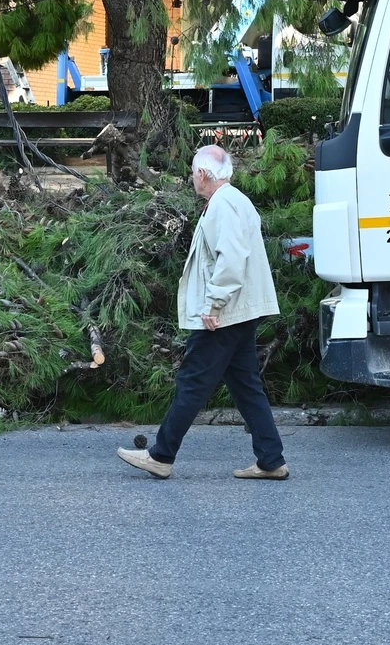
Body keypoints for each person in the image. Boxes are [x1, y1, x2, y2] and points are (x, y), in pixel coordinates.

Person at [118, 144, 289, 481]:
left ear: (202, 174)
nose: (191, 178)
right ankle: (271, 460)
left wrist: (213, 304)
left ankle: (160, 456)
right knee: (246, 386)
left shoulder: (223, 205)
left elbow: (231, 258)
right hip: (240, 311)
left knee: (192, 381)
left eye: (193, 173)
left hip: (224, 313)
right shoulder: (237, 200)